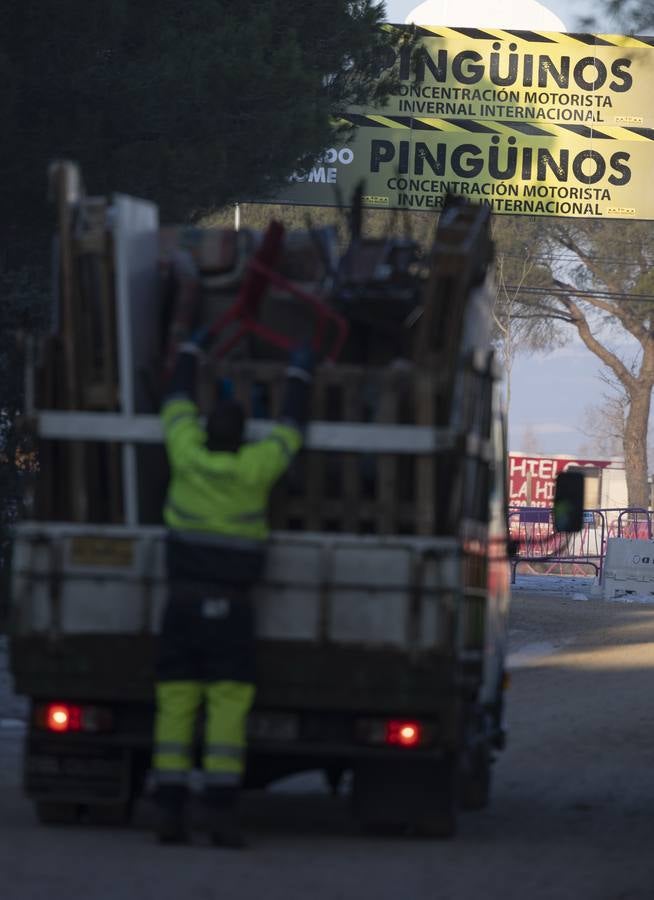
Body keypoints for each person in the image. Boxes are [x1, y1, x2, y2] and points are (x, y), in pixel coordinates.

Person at [153, 330, 313, 847]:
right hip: (233, 611)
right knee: (226, 706)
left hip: (180, 604)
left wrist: (188, 354)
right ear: (244, 438)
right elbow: (290, 431)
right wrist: (298, 374)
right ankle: (219, 813)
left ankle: (170, 813)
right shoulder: (254, 469)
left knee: (175, 704)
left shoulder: (186, 457)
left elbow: (175, 405)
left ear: (205, 433)